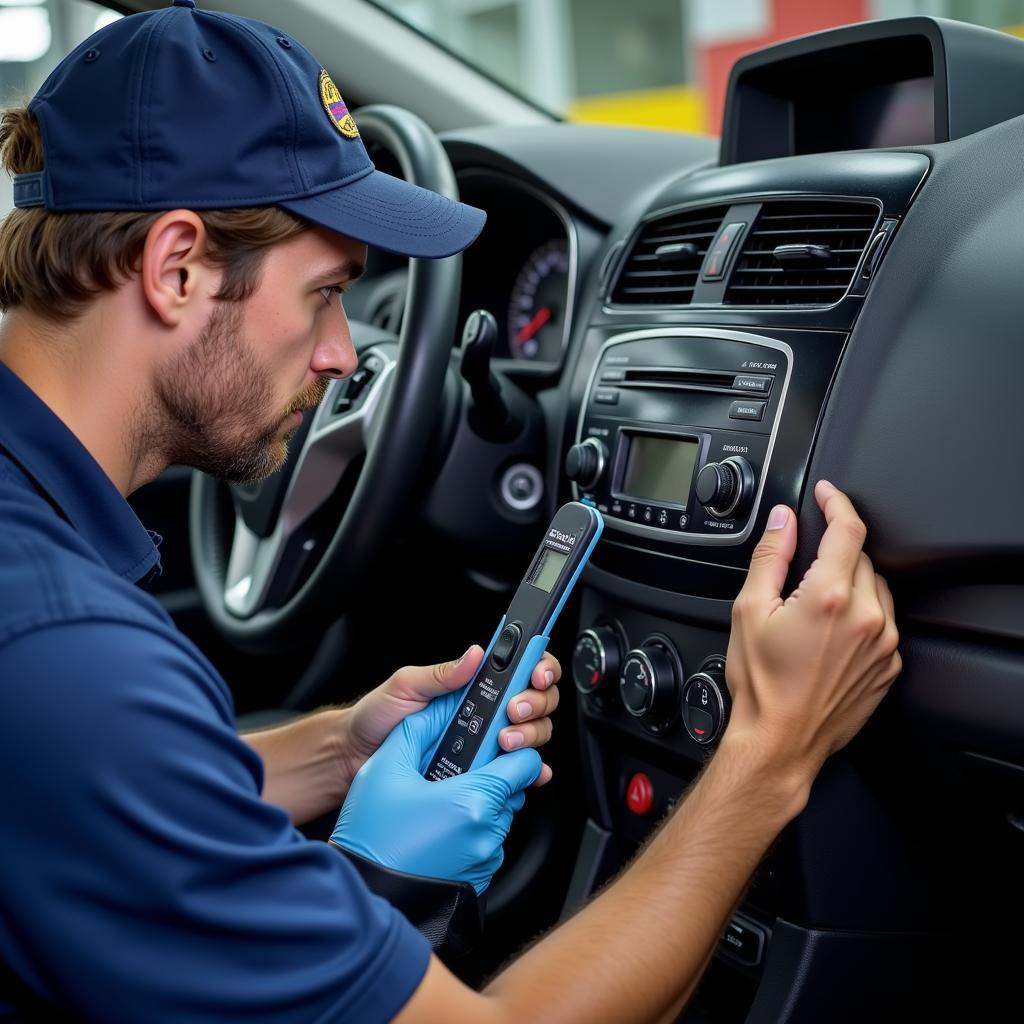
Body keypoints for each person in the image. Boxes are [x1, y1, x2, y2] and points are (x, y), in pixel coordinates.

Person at [0, 3, 901, 1022]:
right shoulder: (66, 658)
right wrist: (769, 752)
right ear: (175, 267)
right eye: (326, 292)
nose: (345, 355)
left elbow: (109, 801)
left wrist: (344, 745)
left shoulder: (38, 570)